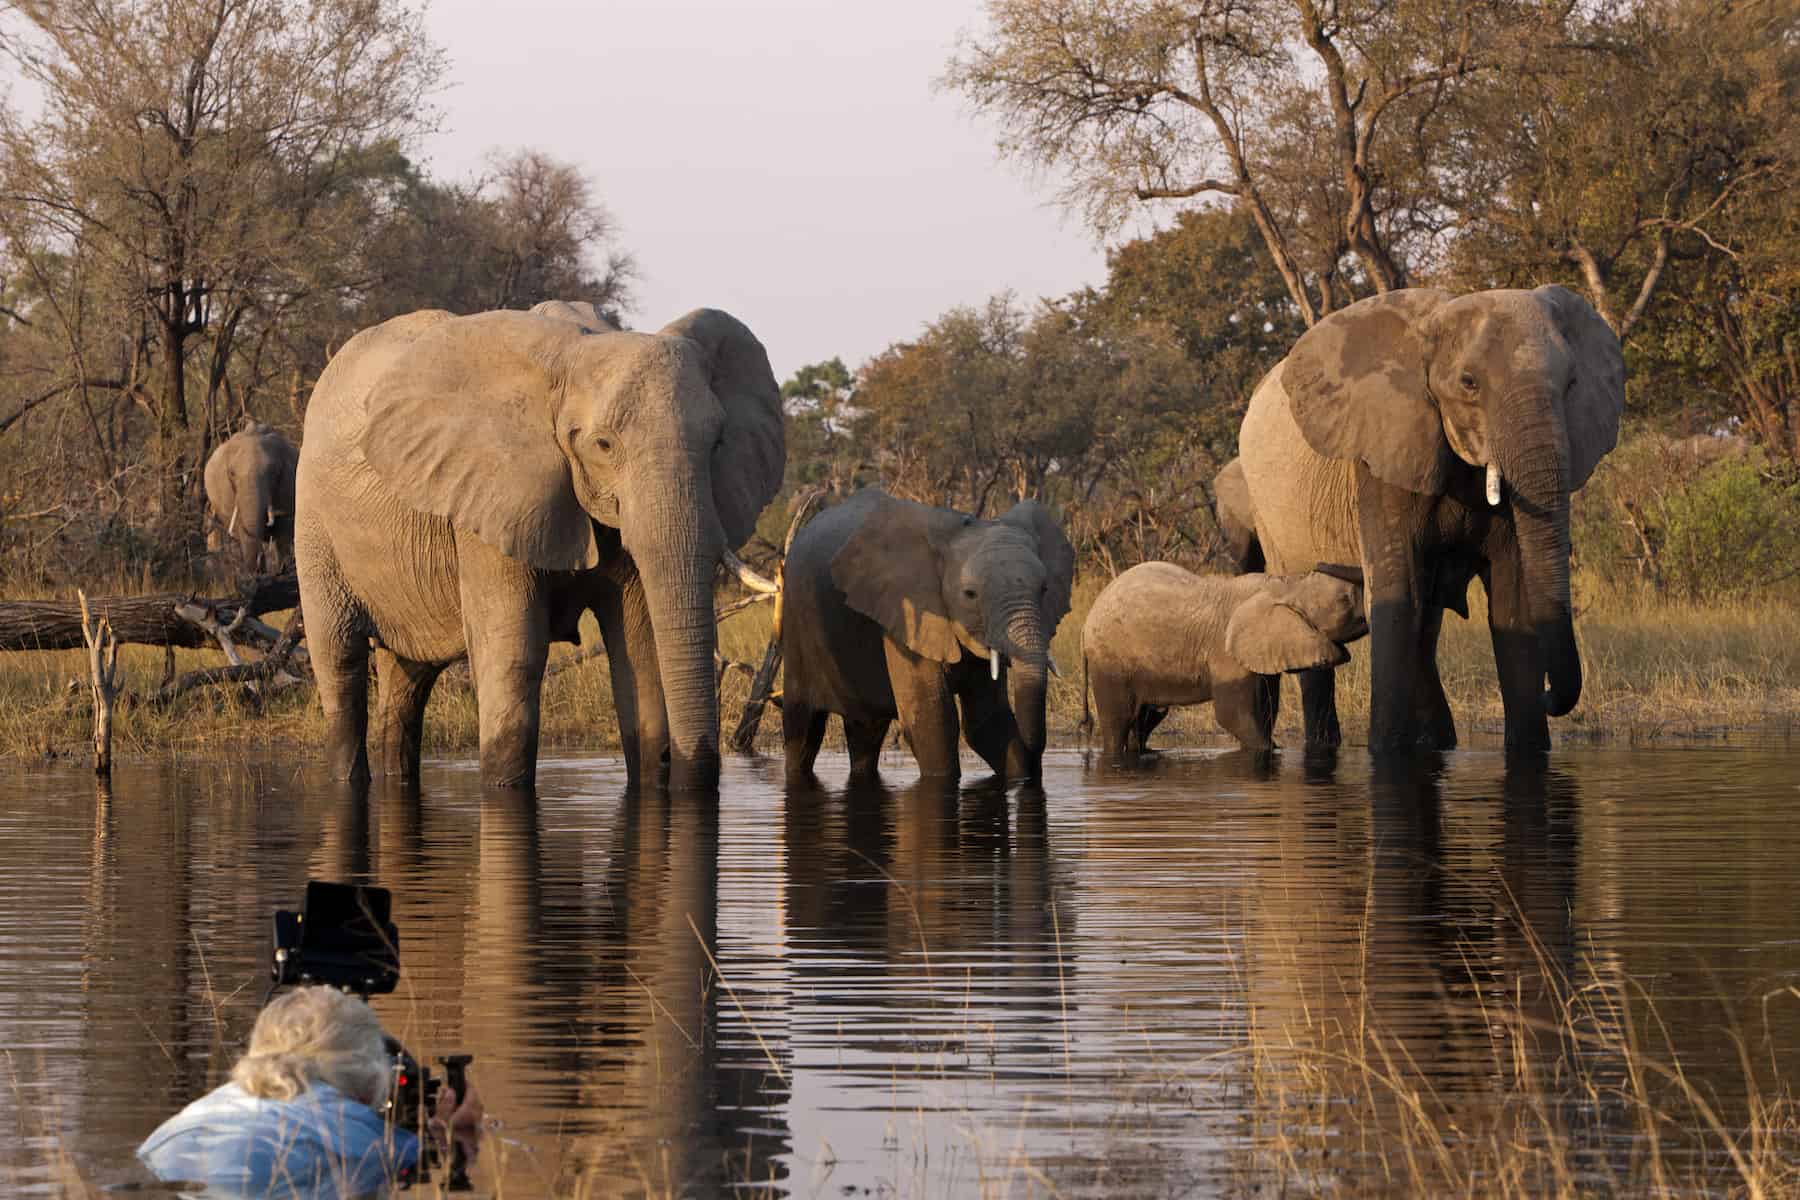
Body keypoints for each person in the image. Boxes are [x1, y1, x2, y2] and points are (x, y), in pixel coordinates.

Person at [138, 985, 482, 1197]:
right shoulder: (367, 1137)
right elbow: (420, 1155)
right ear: (368, 1081)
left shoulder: (191, 1116)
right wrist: (451, 1134)